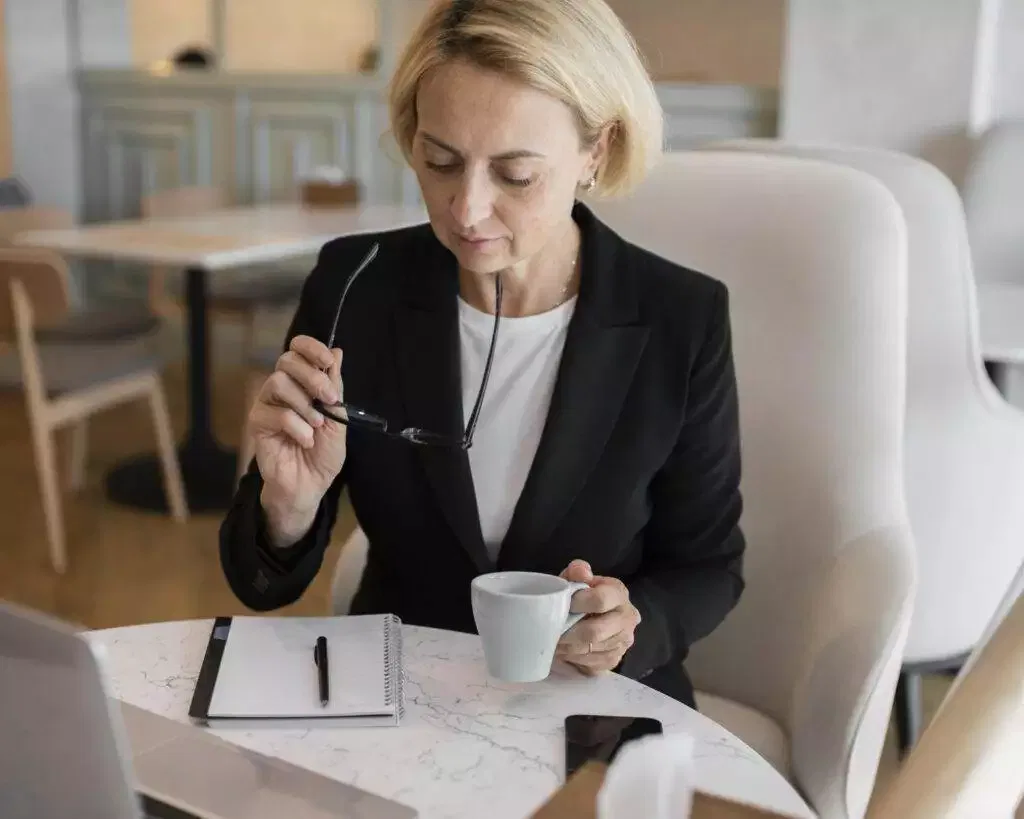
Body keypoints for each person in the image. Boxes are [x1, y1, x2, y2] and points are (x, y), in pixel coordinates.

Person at [219, 0, 745, 708]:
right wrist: (288, 507)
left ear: (598, 149)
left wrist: (631, 625)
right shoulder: (355, 285)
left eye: (515, 174)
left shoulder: (683, 319)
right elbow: (260, 580)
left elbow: (709, 565)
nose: (466, 210)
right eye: (440, 162)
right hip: (397, 692)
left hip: (587, 699)